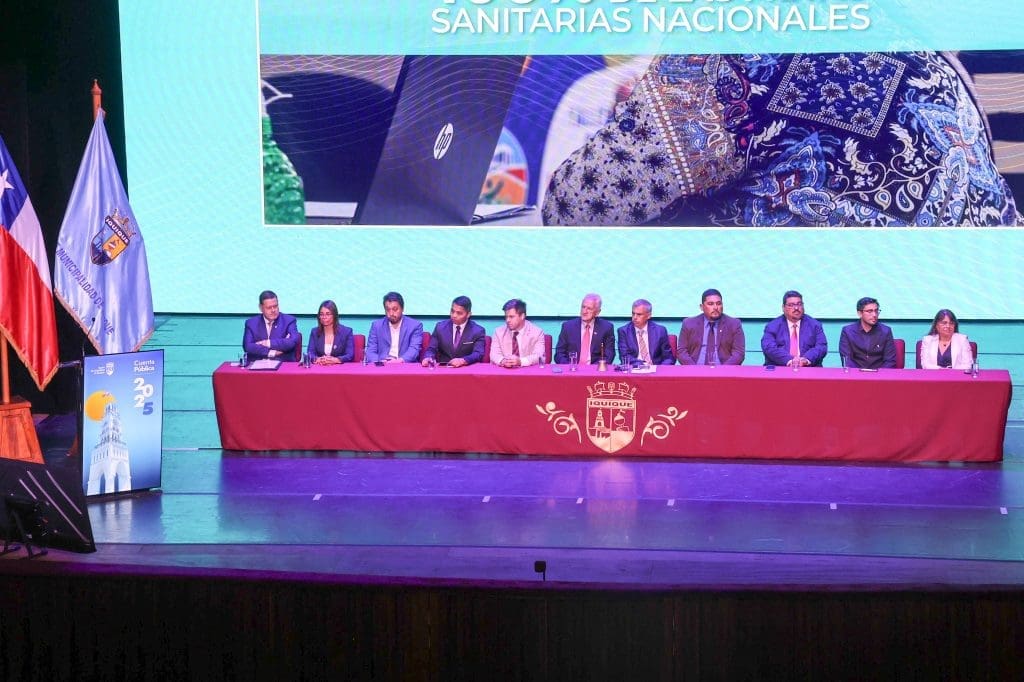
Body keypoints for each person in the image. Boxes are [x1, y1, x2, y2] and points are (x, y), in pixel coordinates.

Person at [542, 52, 1022, 227]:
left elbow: (575, 205)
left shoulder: (732, 48)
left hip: (825, 354)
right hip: (975, 322)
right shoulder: (920, 42)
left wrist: (637, 113)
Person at [677, 289, 745, 365]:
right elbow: (682, 352)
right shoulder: (689, 324)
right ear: (702, 307)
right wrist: (694, 369)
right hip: (695, 369)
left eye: (718, 304)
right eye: (710, 304)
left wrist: (724, 370)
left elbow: (738, 354)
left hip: (724, 370)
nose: (715, 307)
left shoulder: (734, 324)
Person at [761, 290, 828, 367]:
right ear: (783, 307)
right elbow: (769, 348)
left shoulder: (815, 325)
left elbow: (821, 347)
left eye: (799, 304)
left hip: (808, 368)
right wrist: (790, 360)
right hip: (781, 367)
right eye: (791, 305)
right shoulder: (772, 326)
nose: (796, 308)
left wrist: (805, 360)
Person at [421, 295, 486, 368]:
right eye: (452, 311)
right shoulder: (440, 327)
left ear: (468, 314)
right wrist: (428, 357)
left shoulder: (478, 331)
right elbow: (432, 349)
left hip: (466, 369)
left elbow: (478, 353)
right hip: (444, 369)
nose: (454, 315)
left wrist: (463, 360)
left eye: (459, 313)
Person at [554, 293, 616, 365]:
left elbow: (609, 356)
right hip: (571, 369)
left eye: (589, 308)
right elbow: (559, 354)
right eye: (583, 307)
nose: (584, 311)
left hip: (594, 370)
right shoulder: (568, 327)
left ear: (597, 312)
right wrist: (570, 367)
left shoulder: (606, 328)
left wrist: (591, 369)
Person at [838, 297, 897, 369]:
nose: (874, 315)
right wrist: (859, 373)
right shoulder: (848, 331)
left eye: (876, 311)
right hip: (855, 374)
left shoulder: (886, 331)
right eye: (870, 311)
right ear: (860, 313)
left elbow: (890, 361)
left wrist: (879, 374)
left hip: (879, 374)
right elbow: (847, 360)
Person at [365, 291, 424, 363]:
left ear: (402, 309)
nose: (391, 313)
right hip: (382, 365)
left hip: (404, 365)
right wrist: (379, 362)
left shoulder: (415, 325)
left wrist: (400, 361)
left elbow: (414, 349)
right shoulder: (377, 326)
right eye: (388, 310)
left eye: (395, 309)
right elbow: (370, 350)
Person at [242, 290, 299, 361]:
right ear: (261, 308)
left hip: (282, 364)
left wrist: (268, 343)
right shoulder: (251, 323)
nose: (273, 310)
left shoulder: (289, 321)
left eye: (275, 306)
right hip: (257, 363)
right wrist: (271, 352)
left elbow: (292, 342)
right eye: (269, 307)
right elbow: (248, 346)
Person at [616, 299, 674, 366]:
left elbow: (668, 357)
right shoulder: (623, 331)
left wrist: (660, 369)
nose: (635, 317)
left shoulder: (660, 331)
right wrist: (644, 365)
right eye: (633, 313)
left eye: (639, 314)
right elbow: (624, 356)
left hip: (656, 368)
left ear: (649, 315)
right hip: (634, 368)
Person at [491, 299, 546, 368]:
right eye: (506, 317)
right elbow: (494, 354)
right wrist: (503, 361)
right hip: (505, 371)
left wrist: (520, 361)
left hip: (527, 371)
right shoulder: (498, 332)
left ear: (522, 316)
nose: (507, 320)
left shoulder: (537, 332)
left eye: (511, 317)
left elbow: (539, 355)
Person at [306, 300, 354, 365]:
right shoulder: (314, 332)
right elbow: (310, 353)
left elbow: (350, 355)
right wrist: (318, 359)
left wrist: (336, 360)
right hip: (320, 367)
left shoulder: (347, 332)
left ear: (334, 315)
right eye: (321, 314)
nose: (324, 317)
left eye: (328, 314)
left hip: (339, 368)